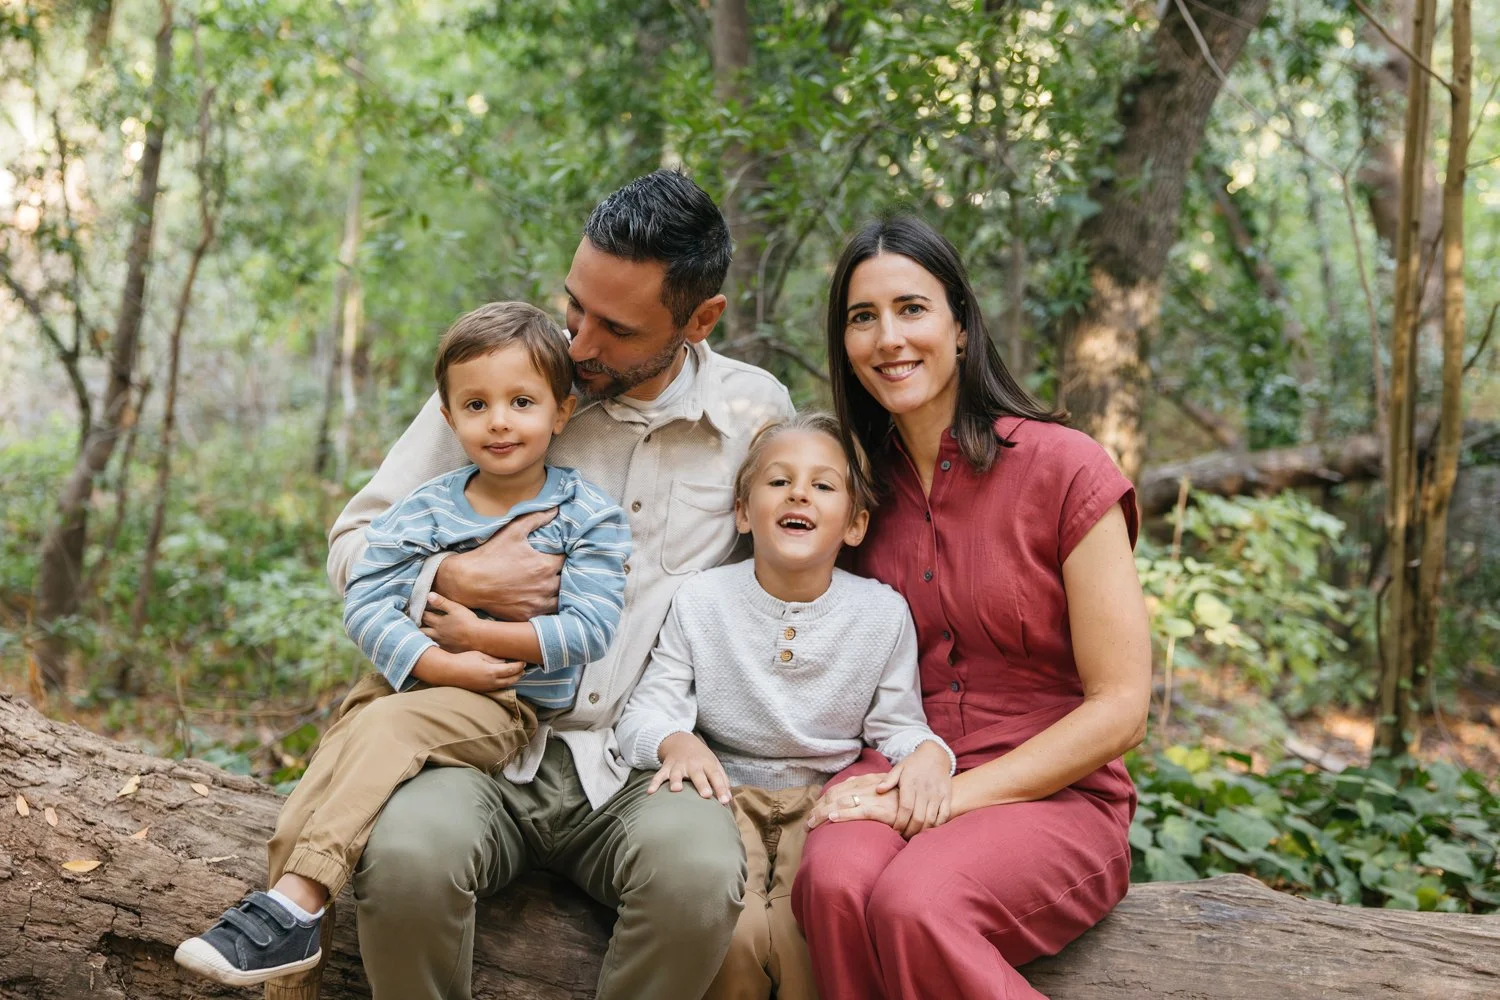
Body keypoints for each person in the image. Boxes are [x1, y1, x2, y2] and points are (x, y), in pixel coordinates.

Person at [277, 169, 793, 1000]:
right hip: (480, 737)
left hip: (635, 760)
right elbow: (354, 542)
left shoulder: (753, 415)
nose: (578, 343)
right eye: (574, 306)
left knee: (698, 880)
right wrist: (456, 572)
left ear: (700, 321)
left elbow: (772, 596)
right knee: (406, 861)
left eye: (615, 328)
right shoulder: (511, 383)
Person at [174, 302, 631, 988]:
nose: (499, 419)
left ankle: (300, 901)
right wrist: (431, 658)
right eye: (477, 404)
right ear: (449, 420)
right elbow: (366, 599)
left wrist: (478, 640)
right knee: (299, 813)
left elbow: (590, 629)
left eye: (522, 401)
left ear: (562, 412)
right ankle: (284, 966)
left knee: (385, 730)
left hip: (499, 700)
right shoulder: (427, 506)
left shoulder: (585, 514)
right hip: (403, 683)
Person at [792, 215, 1153, 1000]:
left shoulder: (1066, 468)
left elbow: (1123, 709)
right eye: (863, 317)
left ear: (960, 325)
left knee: (917, 904)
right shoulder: (852, 497)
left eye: (912, 308)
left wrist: (953, 799)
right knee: (830, 882)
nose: (888, 337)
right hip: (902, 764)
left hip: (1058, 792)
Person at [616, 412, 956, 1000]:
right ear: (744, 512)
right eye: (778, 481)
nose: (799, 492)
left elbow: (897, 724)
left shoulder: (881, 613)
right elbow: (647, 713)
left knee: (807, 939)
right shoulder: (702, 598)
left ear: (854, 524)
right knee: (734, 938)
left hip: (824, 803)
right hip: (722, 798)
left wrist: (929, 754)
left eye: (823, 485)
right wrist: (676, 740)